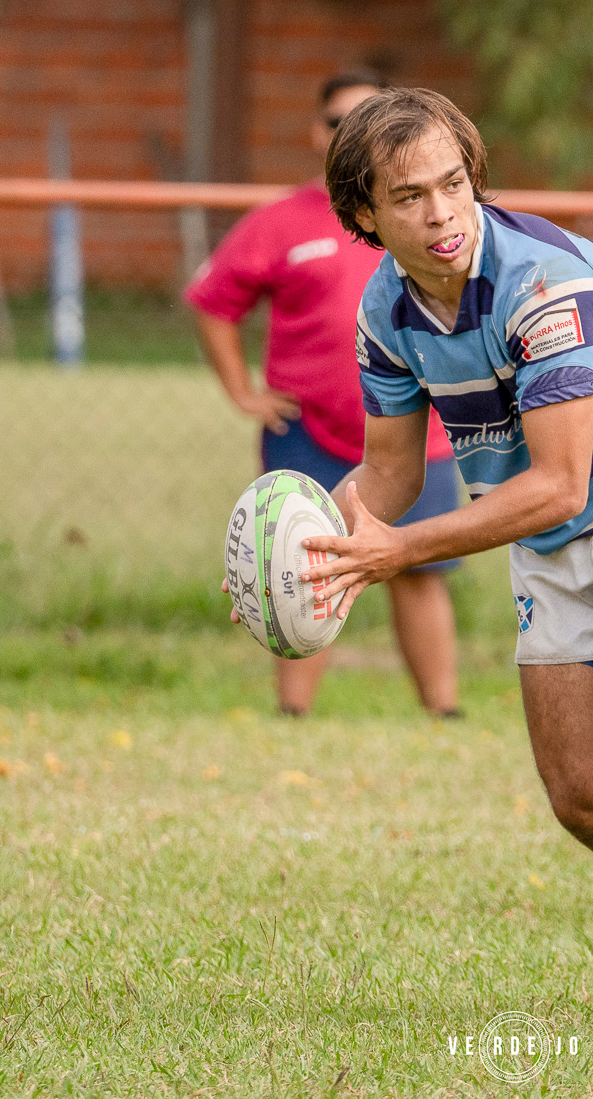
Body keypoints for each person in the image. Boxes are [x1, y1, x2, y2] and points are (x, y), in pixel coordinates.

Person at [296, 87, 593, 1029]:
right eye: (410, 196)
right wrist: (304, 556)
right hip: (553, 529)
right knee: (583, 797)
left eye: (454, 184)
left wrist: (398, 551)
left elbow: (557, 479)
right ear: (363, 215)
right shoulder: (385, 313)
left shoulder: (539, 280)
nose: (441, 214)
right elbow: (388, 475)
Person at [187, 69, 462, 720]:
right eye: (342, 122)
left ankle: (444, 711)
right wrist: (242, 391)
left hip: (420, 432)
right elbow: (212, 300)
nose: (356, 134)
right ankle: (293, 713)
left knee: (419, 571)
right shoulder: (279, 221)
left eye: (373, 119)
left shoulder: (423, 217)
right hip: (309, 429)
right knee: (299, 565)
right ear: (319, 133)